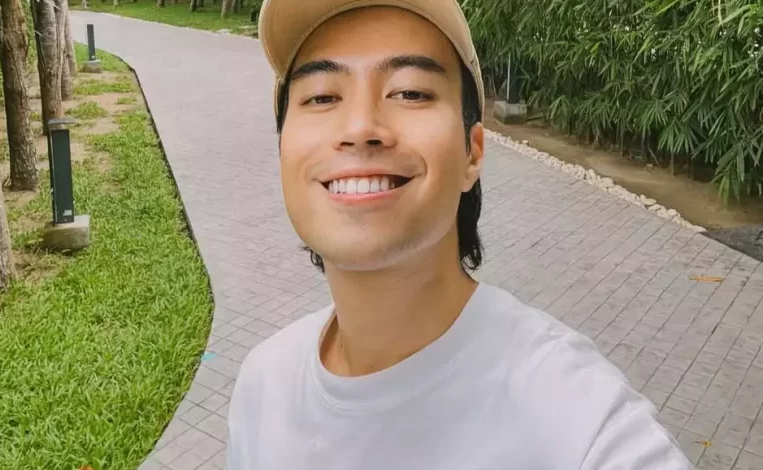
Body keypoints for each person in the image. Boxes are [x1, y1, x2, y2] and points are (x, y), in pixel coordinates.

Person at [226, 1, 693, 469]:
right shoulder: (263, 387)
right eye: (322, 97)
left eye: (410, 92)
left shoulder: (578, 420)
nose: (360, 127)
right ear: (283, 149)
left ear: (473, 154)